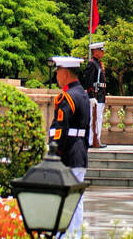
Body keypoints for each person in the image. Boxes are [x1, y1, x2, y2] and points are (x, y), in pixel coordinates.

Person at [49, 56, 90, 238]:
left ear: (65, 73)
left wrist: (54, 153)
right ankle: (74, 235)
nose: (57, 76)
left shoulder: (67, 97)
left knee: (64, 199)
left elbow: (60, 130)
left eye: (58, 71)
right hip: (79, 152)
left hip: (67, 155)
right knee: (76, 200)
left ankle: (64, 235)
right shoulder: (82, 94)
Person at [83, 41, 107, 149]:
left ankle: (96, 139)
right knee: (93, 119)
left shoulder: (99, 64)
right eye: (101, 51)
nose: (103, 53)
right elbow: (88, 81)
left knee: (99, 118)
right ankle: (90, 140)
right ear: (95, 51)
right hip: (95, 96)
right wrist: (91, 96)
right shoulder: (92, 64)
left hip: (100, 95)